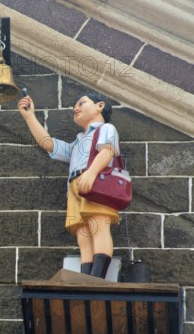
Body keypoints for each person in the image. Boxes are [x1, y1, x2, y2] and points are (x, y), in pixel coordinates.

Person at [17, 91, 120, 279]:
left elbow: (108, 152)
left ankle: (97, 278)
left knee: (98, 226)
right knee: (83, 234)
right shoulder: (78, 142)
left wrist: (91, 172)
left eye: (82, 103)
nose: (76, 108)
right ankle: (87, 277)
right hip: (74, 187)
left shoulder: (106, 129)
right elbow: (49, 144)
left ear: (100, 106)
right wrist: (30, 117)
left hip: (95, 183)